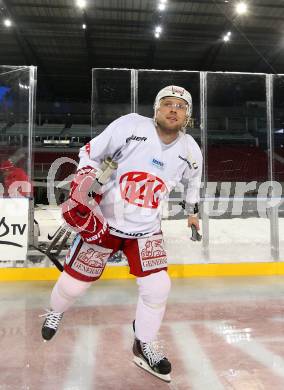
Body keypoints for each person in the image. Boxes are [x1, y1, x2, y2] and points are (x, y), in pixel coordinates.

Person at [41, 85, 203, 383]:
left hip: (146, 229)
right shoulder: (130, 125)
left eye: (179, 106)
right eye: (166, 104)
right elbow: (89, 152)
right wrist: (85, 176)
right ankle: (55, 310)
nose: (172, 110)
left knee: (158, 287)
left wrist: (192, 213)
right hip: (104, 222)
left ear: (187, 115)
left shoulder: (190, 149)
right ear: (156, 108)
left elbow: (193, 183)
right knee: (74, 286)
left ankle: (143, 344)